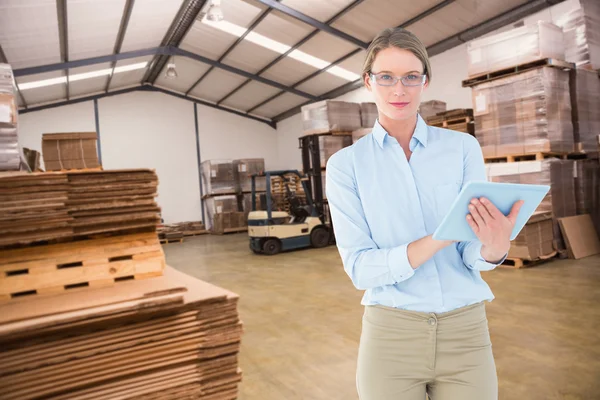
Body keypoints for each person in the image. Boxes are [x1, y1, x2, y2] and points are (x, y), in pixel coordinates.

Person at [325, 27, 523, 400]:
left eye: (410, 77)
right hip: (391, 336)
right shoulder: (345, 166)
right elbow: (360, 269)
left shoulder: (462, 148)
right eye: (386, 77)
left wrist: (494, 248)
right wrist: (437, 239)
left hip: (465, 332)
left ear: (424, 82)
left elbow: (470, 252)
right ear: (368, 81)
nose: (398, 90)